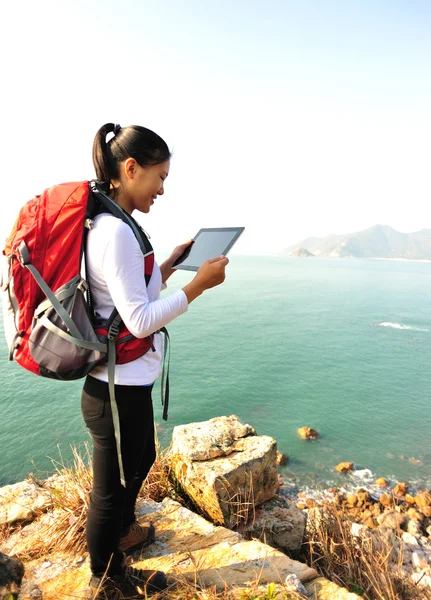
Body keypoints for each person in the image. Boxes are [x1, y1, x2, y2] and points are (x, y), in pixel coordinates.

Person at [82, 122, 229, 598]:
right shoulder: (115, 231)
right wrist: (196, 287)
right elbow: (140, 320)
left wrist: (169, 264)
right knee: (110, 487)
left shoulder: (115, 221)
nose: (162, 188)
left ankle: (122, 533)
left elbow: (127, 297)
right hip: (113, 387)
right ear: (130, 169)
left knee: (141, 456)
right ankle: (107, 579)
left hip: (123, 380)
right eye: (159, 176)